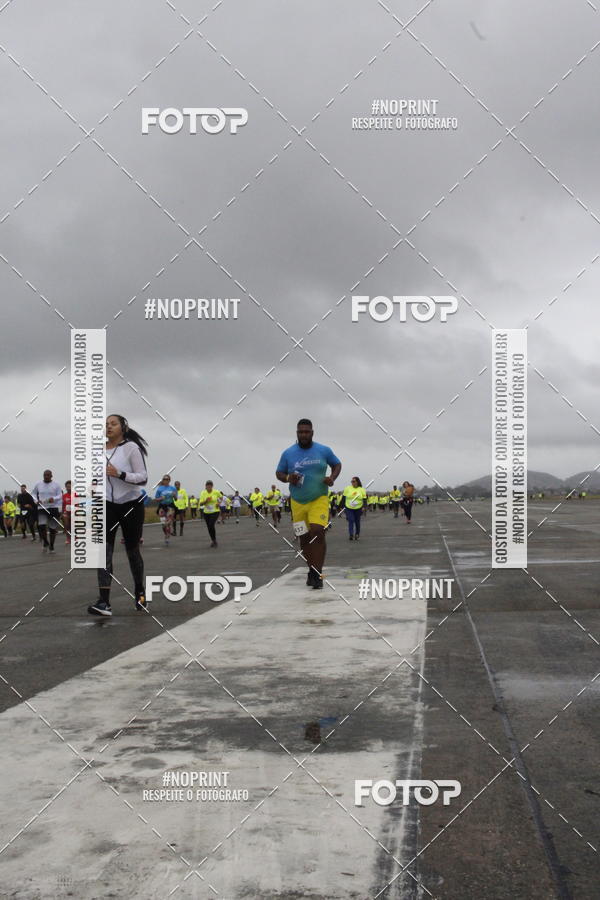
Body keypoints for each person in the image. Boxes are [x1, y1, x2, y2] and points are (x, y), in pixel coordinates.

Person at [88, 415, 148, 617]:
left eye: (113, 424)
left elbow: (143, 477)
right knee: (103, 551)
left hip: (131, 503)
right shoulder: (98, 450)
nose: (108, 427)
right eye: (105, 425)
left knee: (132, 552)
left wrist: (120, 473)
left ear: (123, 427)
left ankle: (140, 591)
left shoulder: (131, 448)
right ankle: (104, 602)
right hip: (107, 505)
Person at [276, 418, 341, 590]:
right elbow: (279, 472)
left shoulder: (323, 450)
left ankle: (317, 573)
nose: (303, 434)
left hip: (319, 498)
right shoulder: (288, 453)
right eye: (300, 432)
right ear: (297, 433)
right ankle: (311, 570)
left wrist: (332, 478)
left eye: (306, 431)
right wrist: (289, 477)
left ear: (312, 432)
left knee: (318, 532)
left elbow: (337, 464)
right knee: (303, 537)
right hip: (297, 502)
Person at [31, 469, 62, 553]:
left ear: (51, 476)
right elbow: (33, 494)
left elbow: (60, 495)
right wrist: (35, 501)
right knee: (41, 526)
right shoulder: (38, 484)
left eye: (48, 475)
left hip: (53, 507)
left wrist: (54, 498)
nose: (46, 477)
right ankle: (45, 542)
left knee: (52, 528)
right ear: (43, 476)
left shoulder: (56, 484)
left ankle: (51, 546)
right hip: (42, 508)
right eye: (45, 475)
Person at [341, 477, 366, 541]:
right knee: (351, 520)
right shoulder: (347, 488)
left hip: (358, 508)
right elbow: (343, 498)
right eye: (351, 481)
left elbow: (364, 499)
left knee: (357, 521)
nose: (352, 482)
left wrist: (364, 507)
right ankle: (351, 534)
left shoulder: (362, 489)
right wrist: (342, 506)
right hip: (349, 507)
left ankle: (357, 533)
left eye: (354, 481)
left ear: (357, 482)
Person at [198, 480, 222, 547]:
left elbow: (221, 497)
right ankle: (213, 540)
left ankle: (214, 540)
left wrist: (218, 503)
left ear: (212, 486)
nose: (209, 487)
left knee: (211, 524)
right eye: (207, 486)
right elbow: (200, 503)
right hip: (206, 512)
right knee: (209, 527)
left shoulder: (216, 492)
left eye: (210, 486)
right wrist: (206, 501)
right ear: (205, 486)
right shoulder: (203, 493)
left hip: (215, 511)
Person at [155, 474, 177, 545]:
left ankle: (167, 536)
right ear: (163, 480)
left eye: (167, 479)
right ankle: (166, 533)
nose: (166, 481)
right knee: (163, 524)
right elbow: (156, 499)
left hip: (170, 506)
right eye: (164, 479)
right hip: (162, 507)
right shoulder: (160, 489)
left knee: (168, 522)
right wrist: (160, 498)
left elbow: (176, 499)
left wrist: (174, 495)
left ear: (169, 480)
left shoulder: (173, 488)